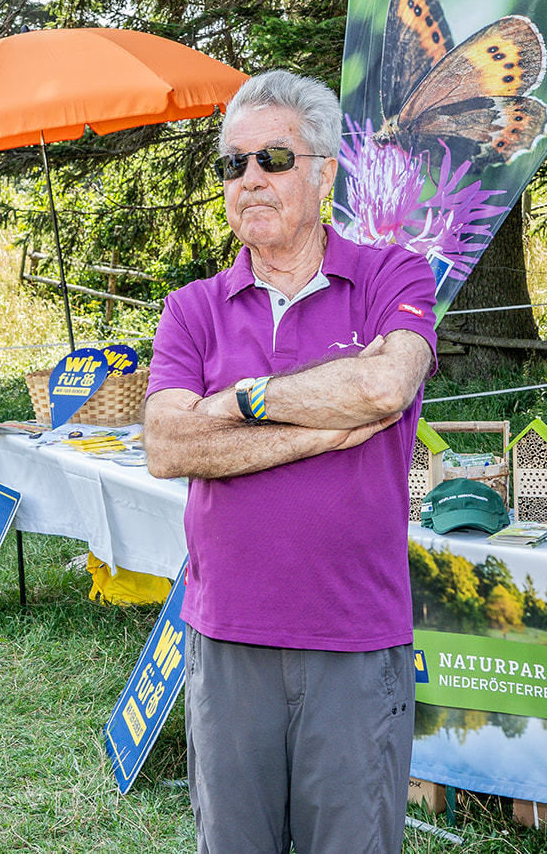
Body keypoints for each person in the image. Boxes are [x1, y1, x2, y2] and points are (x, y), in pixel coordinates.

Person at [143, 69, 437, 853]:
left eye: (272, 158)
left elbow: (384, 381)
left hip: (356, 641)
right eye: (232, 164)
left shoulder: (391, 273)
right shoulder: (194, 307)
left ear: (325, 170)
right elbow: (168, 443)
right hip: (227, 641)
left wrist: (243, 402)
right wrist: (330, 423)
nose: (249, 179)